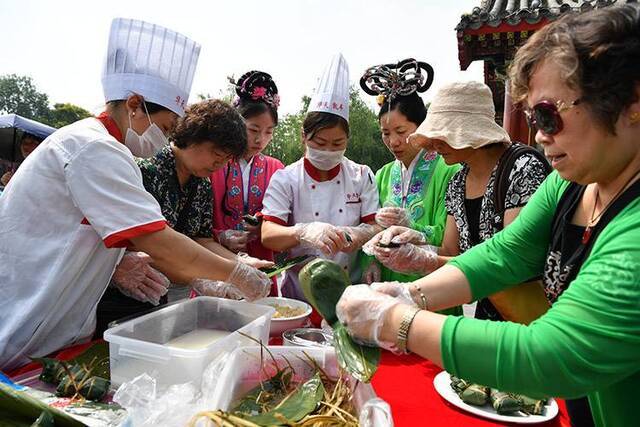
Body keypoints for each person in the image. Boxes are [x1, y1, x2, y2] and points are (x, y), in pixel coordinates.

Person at [336, 5, 640, 427]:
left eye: (550, 115)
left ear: (631, 102)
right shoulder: (574, 181)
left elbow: (553, 352)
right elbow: (502, 254)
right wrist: (411, 294)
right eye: (534, 118)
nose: (538, 134)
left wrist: (396, 321)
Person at [0, 18, 270, 371]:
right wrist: (236, 274)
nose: (166, 138)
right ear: (133, 105)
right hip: (24, 325)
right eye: (167, 127)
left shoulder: (107, 149)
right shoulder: (93, 148)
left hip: (58, 326)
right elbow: (158, 241)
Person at [367, 81, 550, 322]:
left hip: (536, 318)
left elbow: (510, 263)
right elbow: (450, 251)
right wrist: (419, 245)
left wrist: (422, 267)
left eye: (442, 134)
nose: (433, 144)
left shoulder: (522, 169)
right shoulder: (458, 183)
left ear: (469, 130)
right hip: (490, 313)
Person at [94, 99, 270, 336]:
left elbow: (202, 239)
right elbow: (157, 249)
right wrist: (216, 275)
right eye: (216, 154)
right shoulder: (147, 170)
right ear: (193, 137)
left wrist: (239, 264)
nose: (219, 165)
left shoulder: (202, 182)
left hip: (167, 296)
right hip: (125, 294)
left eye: (226, 160)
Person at [261, 53, 380, 300]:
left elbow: (376, 224)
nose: (328, 151)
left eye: (337, 143)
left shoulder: (361, 175)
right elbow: (268, 234)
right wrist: (302, 232)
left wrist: (360, 235)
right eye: (320, 142)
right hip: (300, 294)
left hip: (352, 290)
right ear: (304, 136)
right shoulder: (286, 179)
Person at [357, 60, 459, 297]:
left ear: (421, 126)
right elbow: (369, 226)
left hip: (433, 285)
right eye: (385, 133)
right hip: (388, 284)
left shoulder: (448, 169)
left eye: (401, 132)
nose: (393, 142)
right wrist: (369, 261)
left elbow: (451, 240)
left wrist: (414, 228)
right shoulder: (381, 175)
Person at [211, 71, 284, 295]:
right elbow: (193, 223)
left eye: (268, 132)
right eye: (253, 129)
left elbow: (285, 219)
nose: (260, 139)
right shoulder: (212, 164)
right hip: (216, 267)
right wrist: (219, 236)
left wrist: (266, 226)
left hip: (261, 271)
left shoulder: (276, 169)